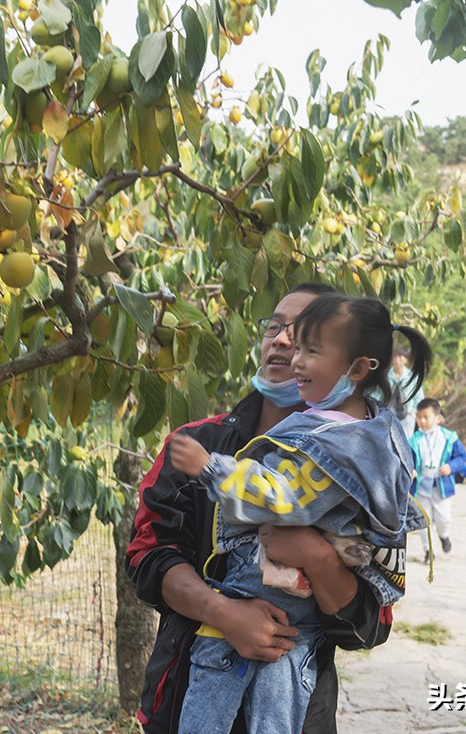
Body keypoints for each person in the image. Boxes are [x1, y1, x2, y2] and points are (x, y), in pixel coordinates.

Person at [124, 284, 398, 734]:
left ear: (351, 364)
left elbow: (371, 622)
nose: (283, 340)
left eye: (307, 334)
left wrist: (316, 556)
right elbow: (146, 556)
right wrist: (222, 612)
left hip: (298, 711)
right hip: (183, 701)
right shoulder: (198, 444)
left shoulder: (366, 466)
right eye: (275, 326)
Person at [408, 398, 466, 563]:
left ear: (437, 418)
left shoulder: (449, 437)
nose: (422, 421)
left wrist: (451, 466)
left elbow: (462, 457)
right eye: (419, 417)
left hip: (441, 486)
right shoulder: (413, 440)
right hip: (421, 487)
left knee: (444, 518)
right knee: (424, 520)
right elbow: (406, 460)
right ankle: (428, 551)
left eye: (426, 417)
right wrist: (411, 470)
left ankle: (444, 536)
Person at [387, 347, 425, 435]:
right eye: (395, 357)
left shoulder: (413, 377)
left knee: (406, 440)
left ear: (406, 360)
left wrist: (415, 412)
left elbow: (419, 397)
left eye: (400, 357)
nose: (397, 360)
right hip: (388, 412)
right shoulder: (385, 376)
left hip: (407, 414)